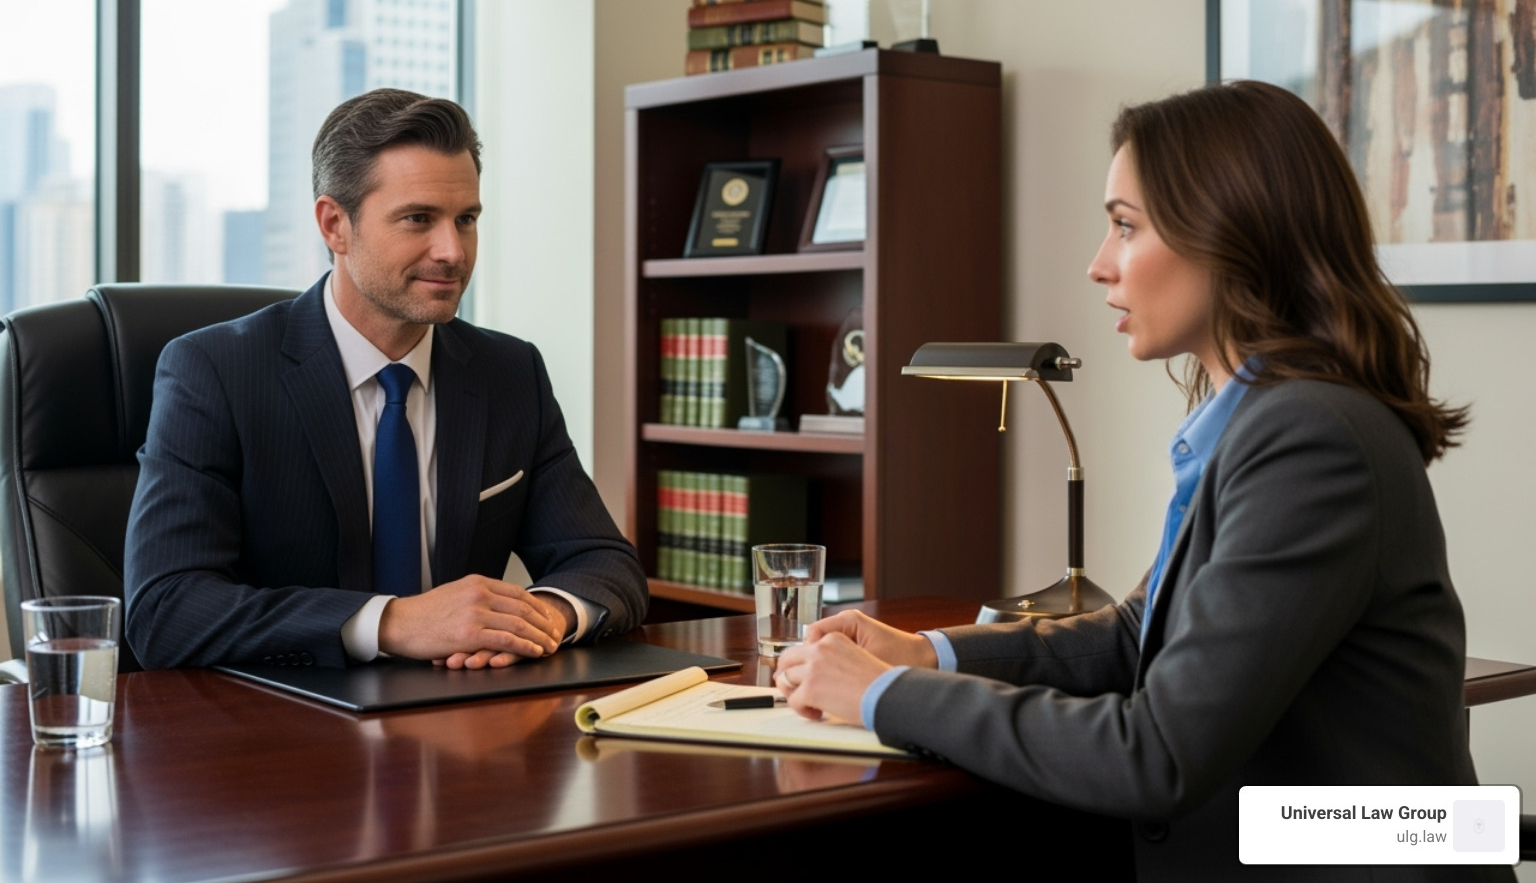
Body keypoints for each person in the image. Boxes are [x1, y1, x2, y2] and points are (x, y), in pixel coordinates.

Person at [774, 80, 1508, 881]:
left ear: (1231, 233)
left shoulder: (1310, 440)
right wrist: (925, 653)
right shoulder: (1267, 420)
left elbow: (1158, 753)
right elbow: (1136, 638)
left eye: (1125, 227)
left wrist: (884, 696)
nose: (1098, 266)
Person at [125, 89, 647, 670]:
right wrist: (393, 622)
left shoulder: (510, 373)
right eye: (418, 219)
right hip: (286, 728)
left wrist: (543, 615)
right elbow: (165, 611)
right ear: (334, 225)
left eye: (466, 220)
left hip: (465, 720)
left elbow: (606, 561)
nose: (452, 251)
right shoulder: (215, 373)